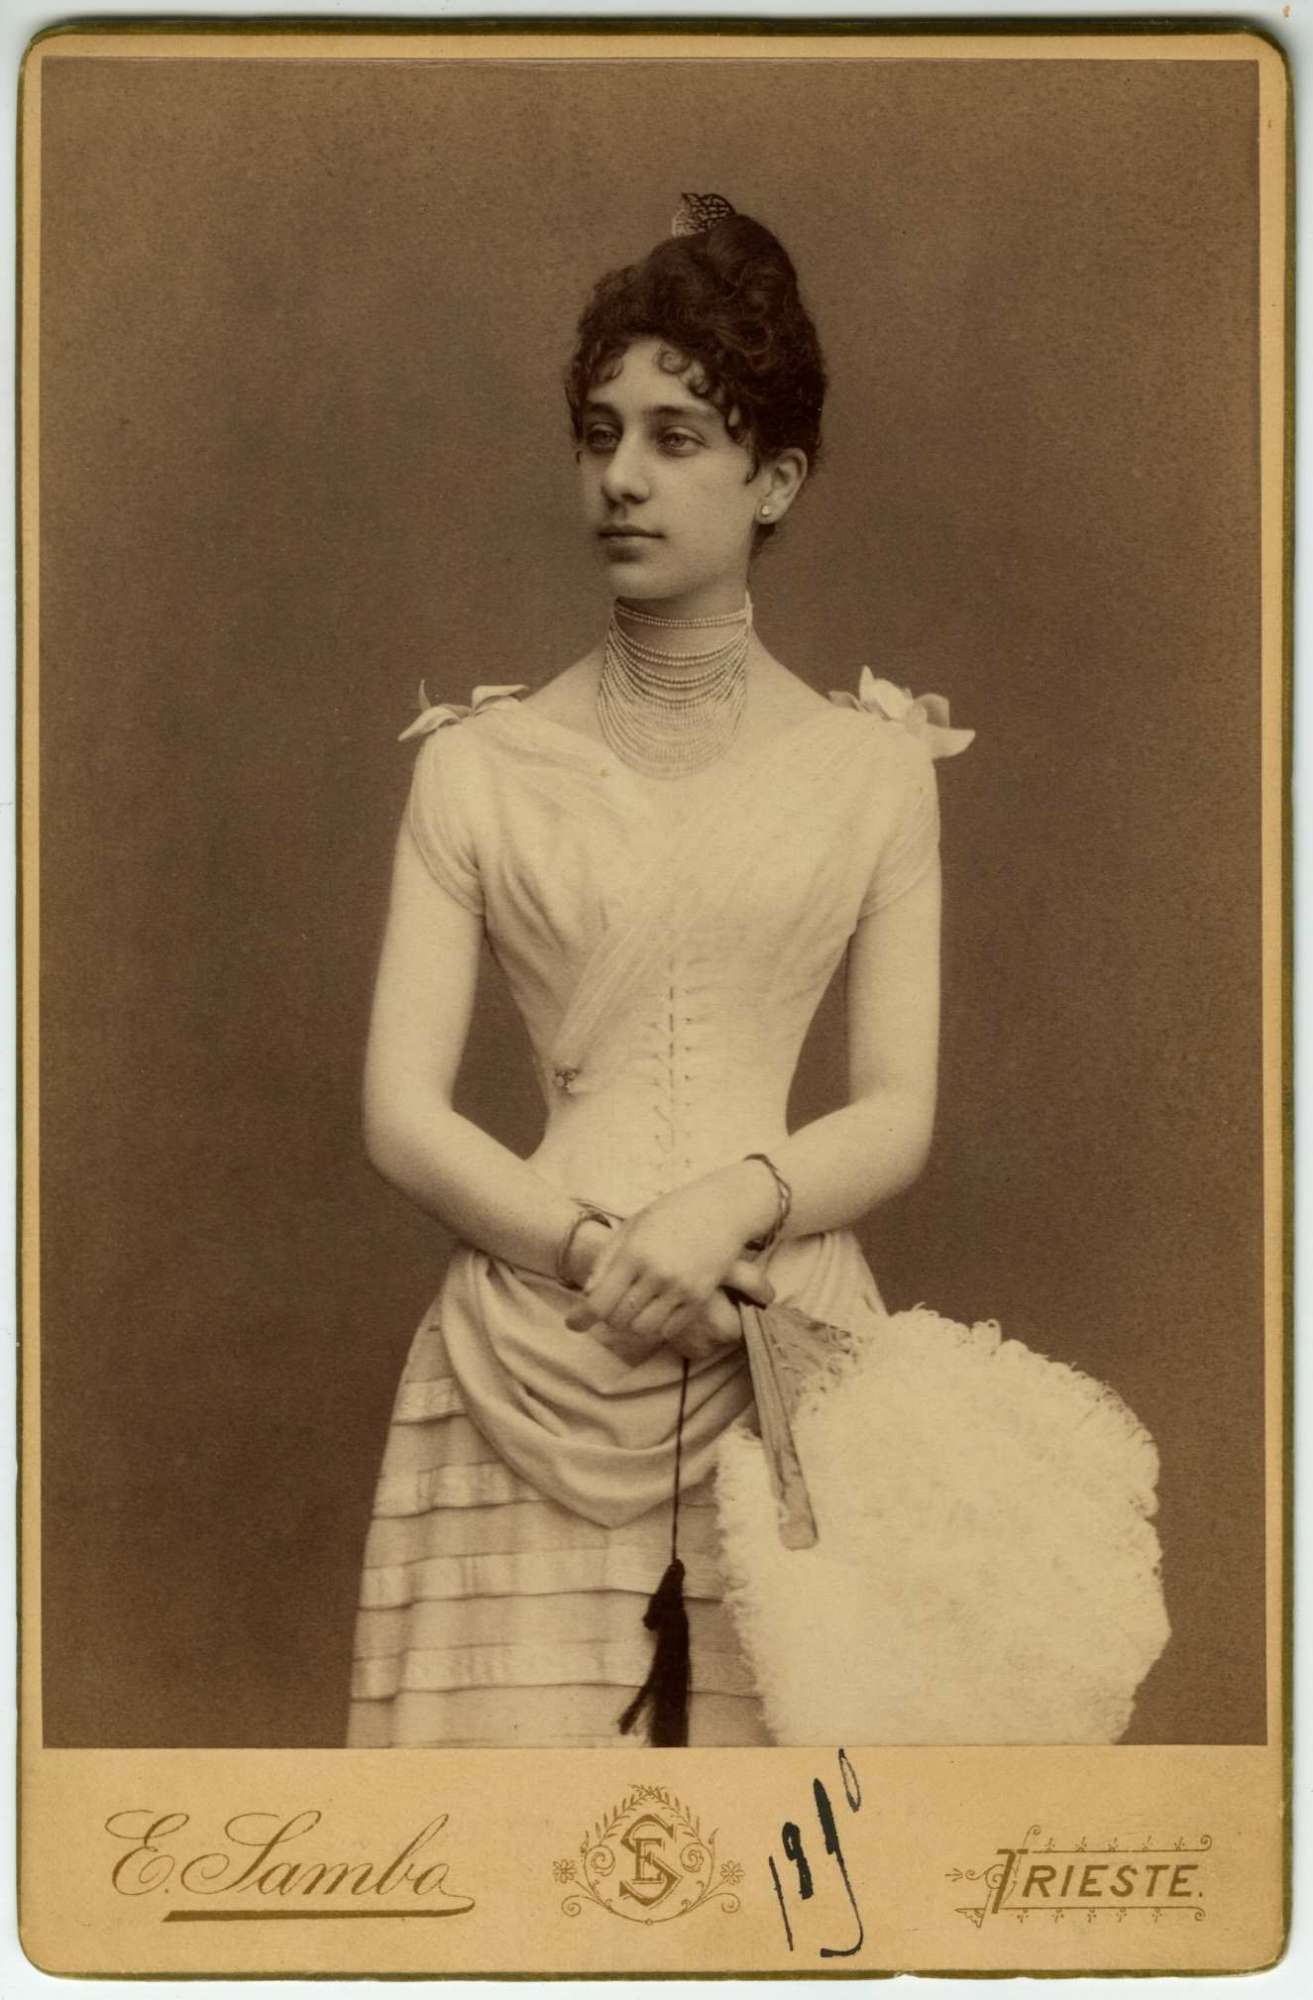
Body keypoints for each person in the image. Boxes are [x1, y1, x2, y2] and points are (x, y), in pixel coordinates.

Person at [346, 196, 1168, 1751]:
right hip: (530, 1339)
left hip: (773, 1332)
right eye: (600, 436)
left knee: (782, 1822)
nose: (622, 477)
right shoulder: (477, 767)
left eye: (675, 438)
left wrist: (725, 1206)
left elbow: (895, 1109)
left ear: (774, 478)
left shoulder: (871, 768)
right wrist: (596, 1249)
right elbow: (401, 1113)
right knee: (499, 1841)